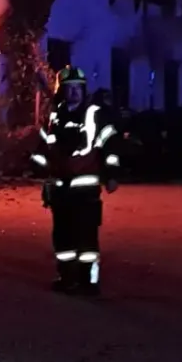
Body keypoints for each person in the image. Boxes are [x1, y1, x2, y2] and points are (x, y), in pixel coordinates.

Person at [33, 66, 121, 295]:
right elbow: (43, 146)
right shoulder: (55, 116)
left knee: (87, 237)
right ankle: (66, 277)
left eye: (77, 88)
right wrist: (39, 166)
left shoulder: (94, 114)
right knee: (63, 237)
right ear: (62, 90)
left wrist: (111, 175)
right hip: (60, 189)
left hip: (86, 189)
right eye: (69, 88)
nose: (74, 92)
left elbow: (109, 145)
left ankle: (89, 282)